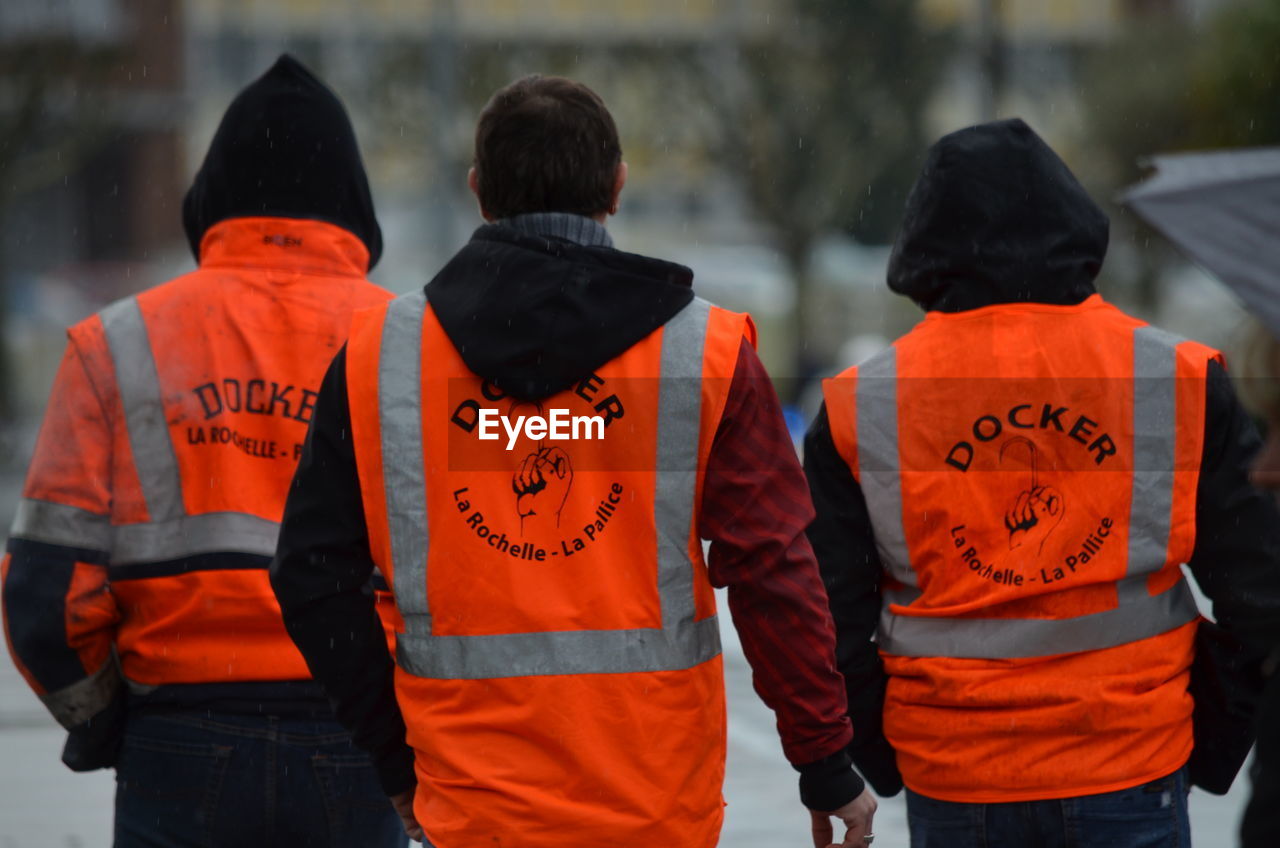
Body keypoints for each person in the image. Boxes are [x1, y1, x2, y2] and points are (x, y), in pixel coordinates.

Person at [270, 74, 877, 848]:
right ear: (618, 187)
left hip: (474, 811)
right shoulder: (705, 355)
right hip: (654, 807)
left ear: (478, 192)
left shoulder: (380, 359)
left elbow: (310, 577)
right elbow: (775, 570)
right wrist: (823, 759)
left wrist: (395, 760)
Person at [803, 118, 1280, 847]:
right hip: (1131, 761)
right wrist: (1206, 736)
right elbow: (1260, 590)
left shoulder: (859, 402)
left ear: (924, 244)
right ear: (1075, 228)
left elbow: (828, 622)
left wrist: (888, 752)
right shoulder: (1178, 377)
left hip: (956, 776)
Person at [1, 55, 406, 847]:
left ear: (211, 198)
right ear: (354, 203)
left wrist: (109, 721)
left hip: (177, 735)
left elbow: (46, 593)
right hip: (356, 739)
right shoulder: (410, 344)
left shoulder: (115, 343)